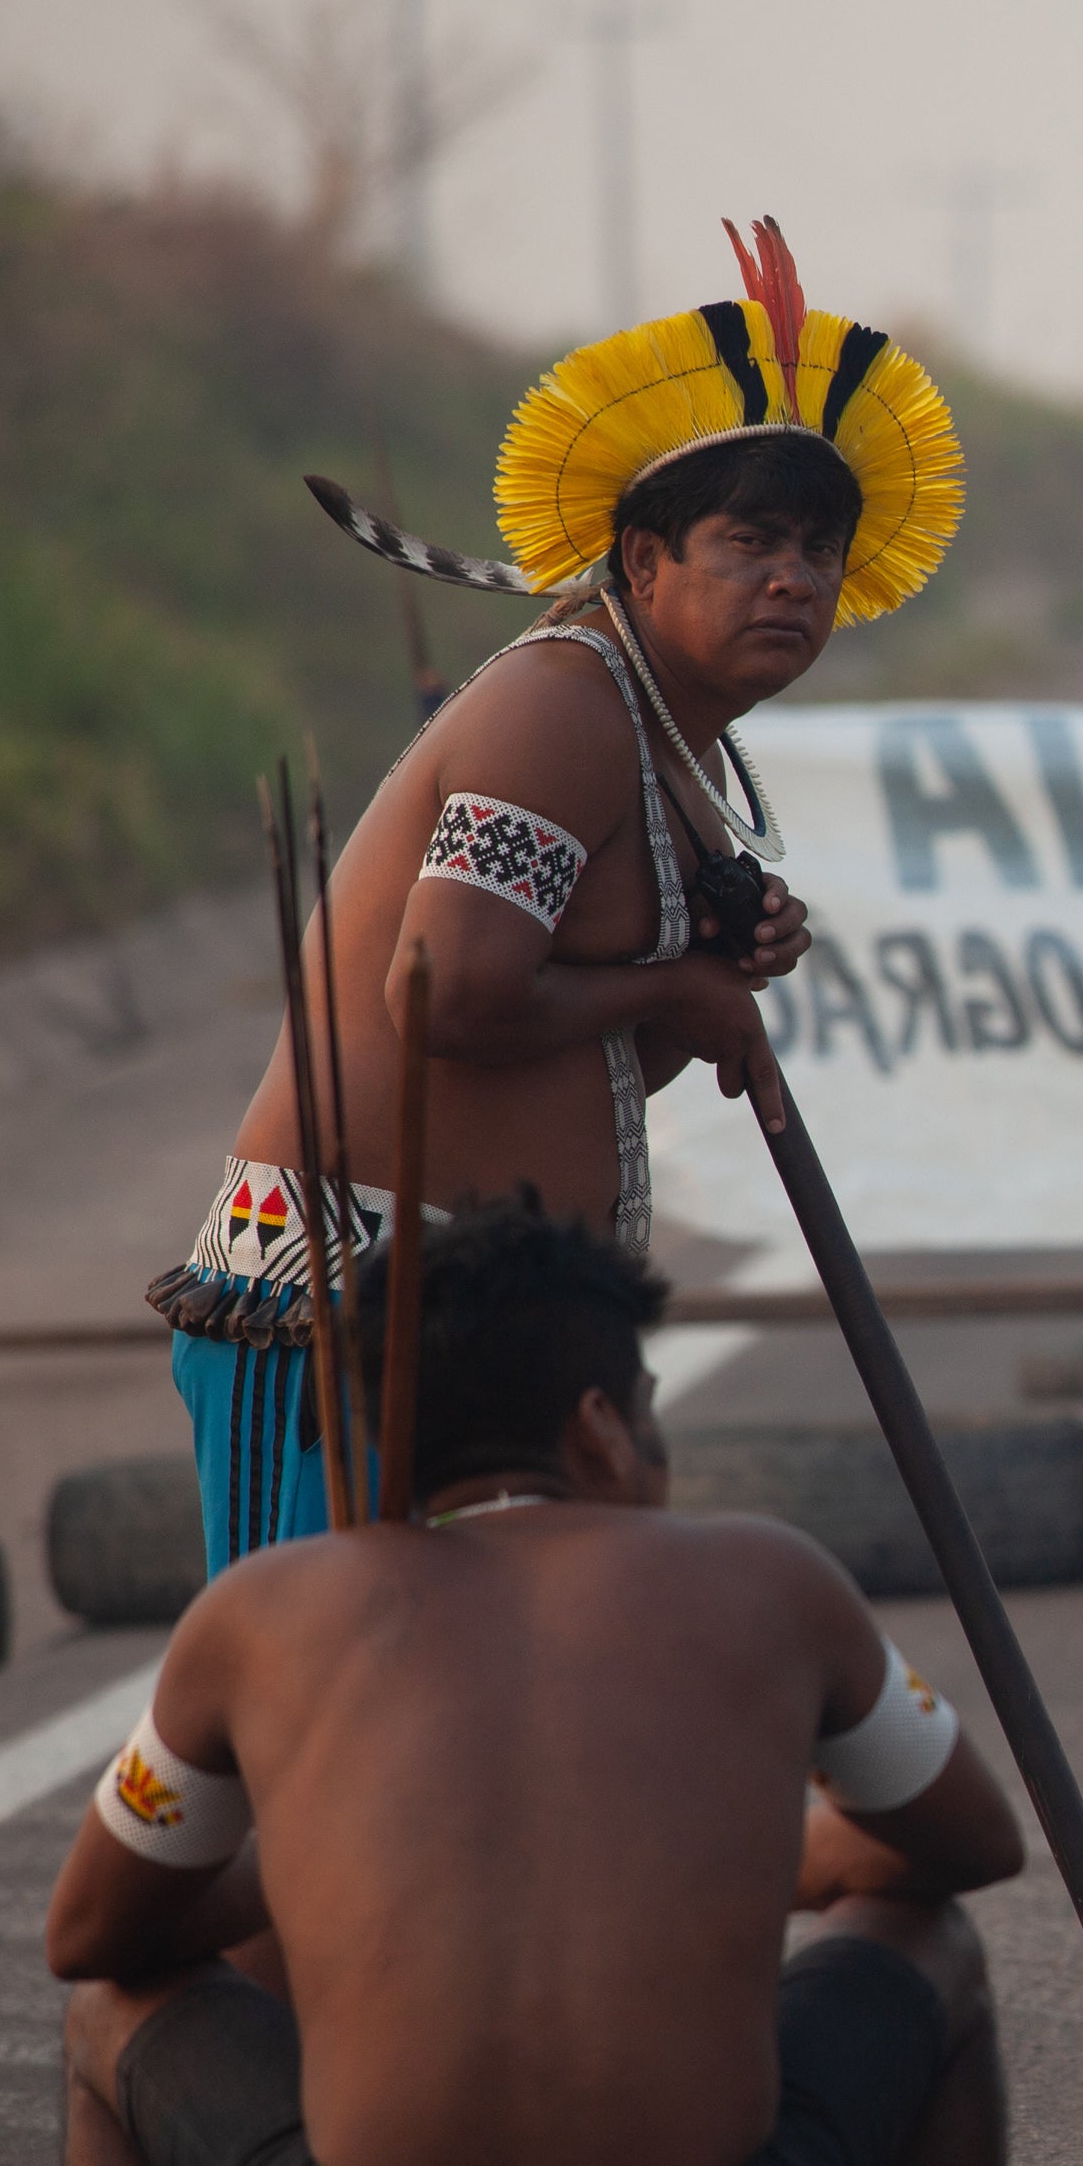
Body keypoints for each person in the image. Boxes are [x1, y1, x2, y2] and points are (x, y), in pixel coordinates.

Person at [26, 1202, 1022, 2166]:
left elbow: (93, 1932)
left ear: (364, 1448)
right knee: (924, 1943)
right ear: (603, 1428)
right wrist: (770, 1851)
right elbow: (971, 1847)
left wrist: (312, 1856)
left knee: (114, 2020)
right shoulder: (769, 1576)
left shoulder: (262, 1615)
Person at [158, 220, 967, 1570]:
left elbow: (562, 1052)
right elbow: (444, 993)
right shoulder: (566, 704)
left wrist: (713, 974)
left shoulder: (673, 743)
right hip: (339, 1313)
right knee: (331, 1728)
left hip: (481, 1328)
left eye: (820, 550)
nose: (795, 578)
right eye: (750, 540)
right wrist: (681, 983)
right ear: (644, 565)